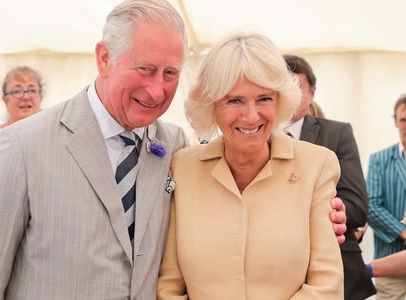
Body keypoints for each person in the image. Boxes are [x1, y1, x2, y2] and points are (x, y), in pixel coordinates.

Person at [0, 1, 346, 299]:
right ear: (104, 58)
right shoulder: (22, 146)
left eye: (170, 73)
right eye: (144, 69)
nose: (157, 89)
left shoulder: (173, 147)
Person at [157, 32, 343, 299]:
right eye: (235, 100)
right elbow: (169, 285)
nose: (251, 116)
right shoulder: (183, 167)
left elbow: (327, 286)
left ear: (280, 100)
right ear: (211, 105)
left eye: (264, 99)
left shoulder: (317, 165)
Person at [284, 54, 376, 300]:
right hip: (276, 269)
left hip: (336, 263)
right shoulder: (256, 135)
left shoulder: (337, 133)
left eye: (296, 86)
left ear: (312, 93)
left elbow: (356, 207)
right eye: (281, 85)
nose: (289, 94)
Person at [367, 94, 406, 299]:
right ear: (395, 122)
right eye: (403, 120)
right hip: (389, 261)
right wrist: (404, 232)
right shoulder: (379, 160)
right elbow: (371, 207)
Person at [0, 66, 43, 174]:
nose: (25, 97)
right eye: (17, 91)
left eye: (32, 90)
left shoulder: (53, 134)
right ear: (5, 99)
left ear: (41, 97)